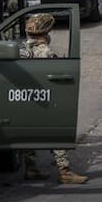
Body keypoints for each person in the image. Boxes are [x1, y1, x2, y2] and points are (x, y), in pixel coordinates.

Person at [20, 14, 89, 185]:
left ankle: (31, 168)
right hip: (44, 98)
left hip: (26, 98)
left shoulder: (22, 48)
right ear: (45, 33)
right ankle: (64, 171)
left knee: (28, 133)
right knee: (58, 132)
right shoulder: (45, 51)